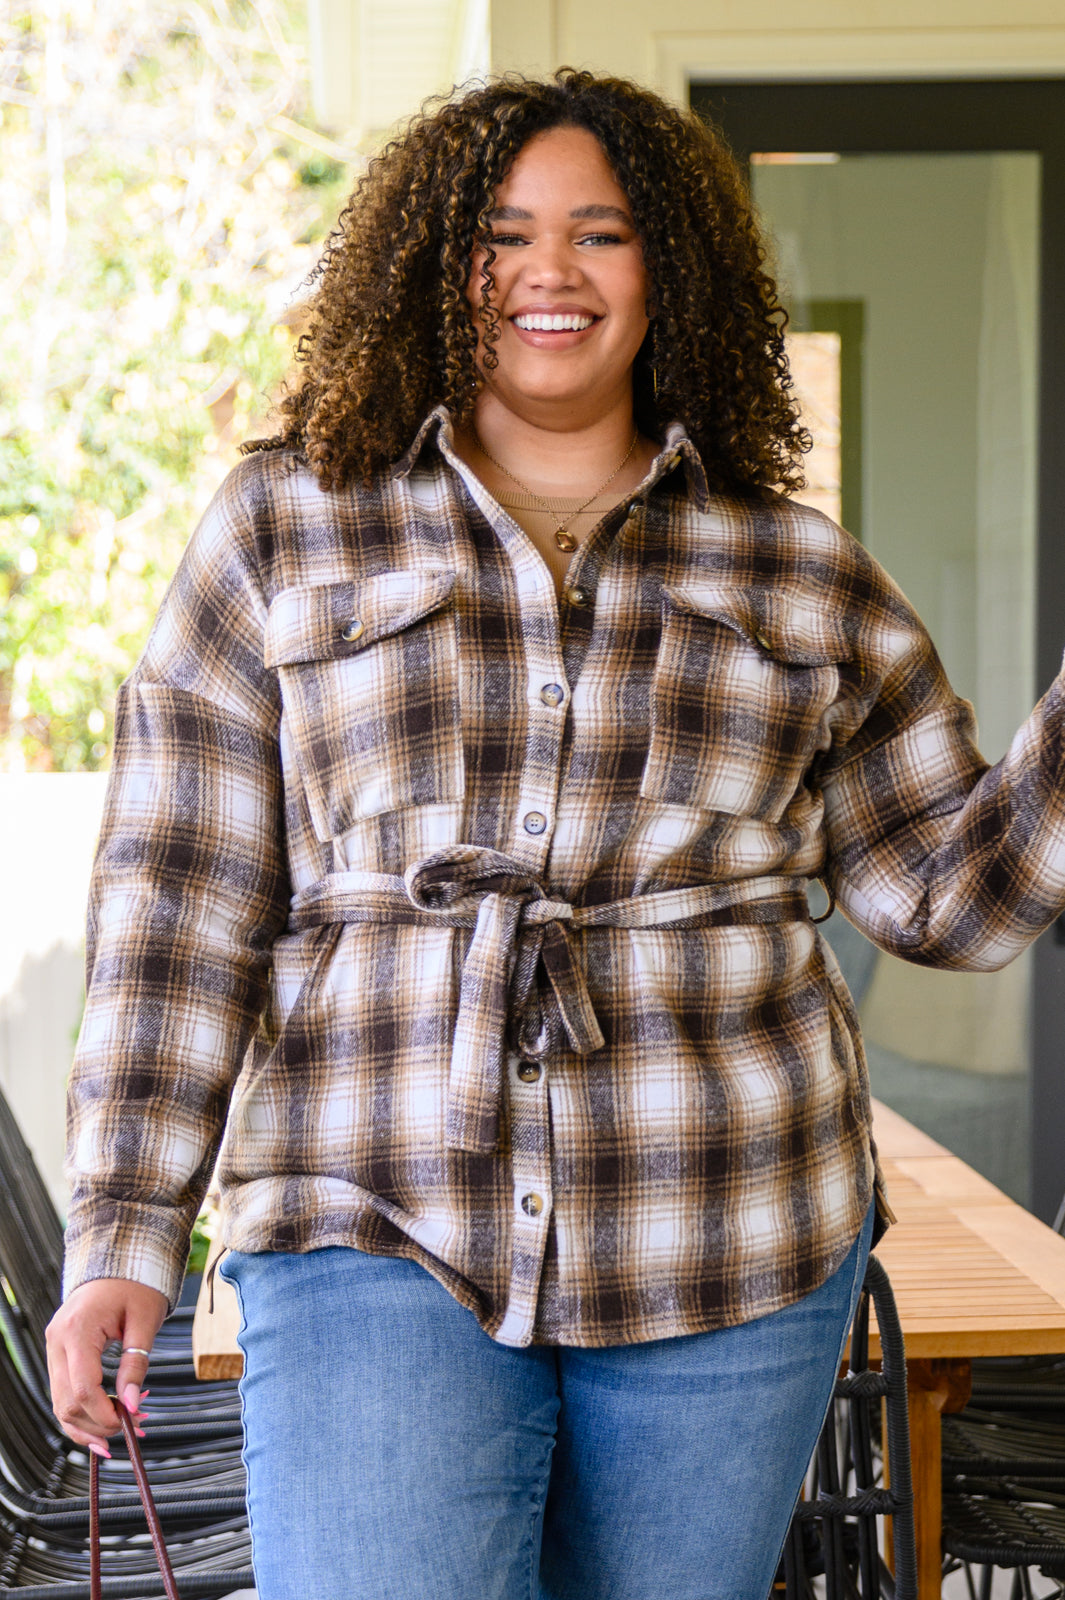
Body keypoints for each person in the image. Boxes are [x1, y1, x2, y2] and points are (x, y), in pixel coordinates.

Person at [46, 67, 1065, 1600]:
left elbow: (948, 897)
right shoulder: (283, 528)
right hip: (364, 1207)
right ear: (431, 265)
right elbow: (179, 902)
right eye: (503, 233)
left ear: (673, 272)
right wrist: (126, 1228)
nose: (549, 273)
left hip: (729, 1223)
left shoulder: (799, 572)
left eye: (601, 233)